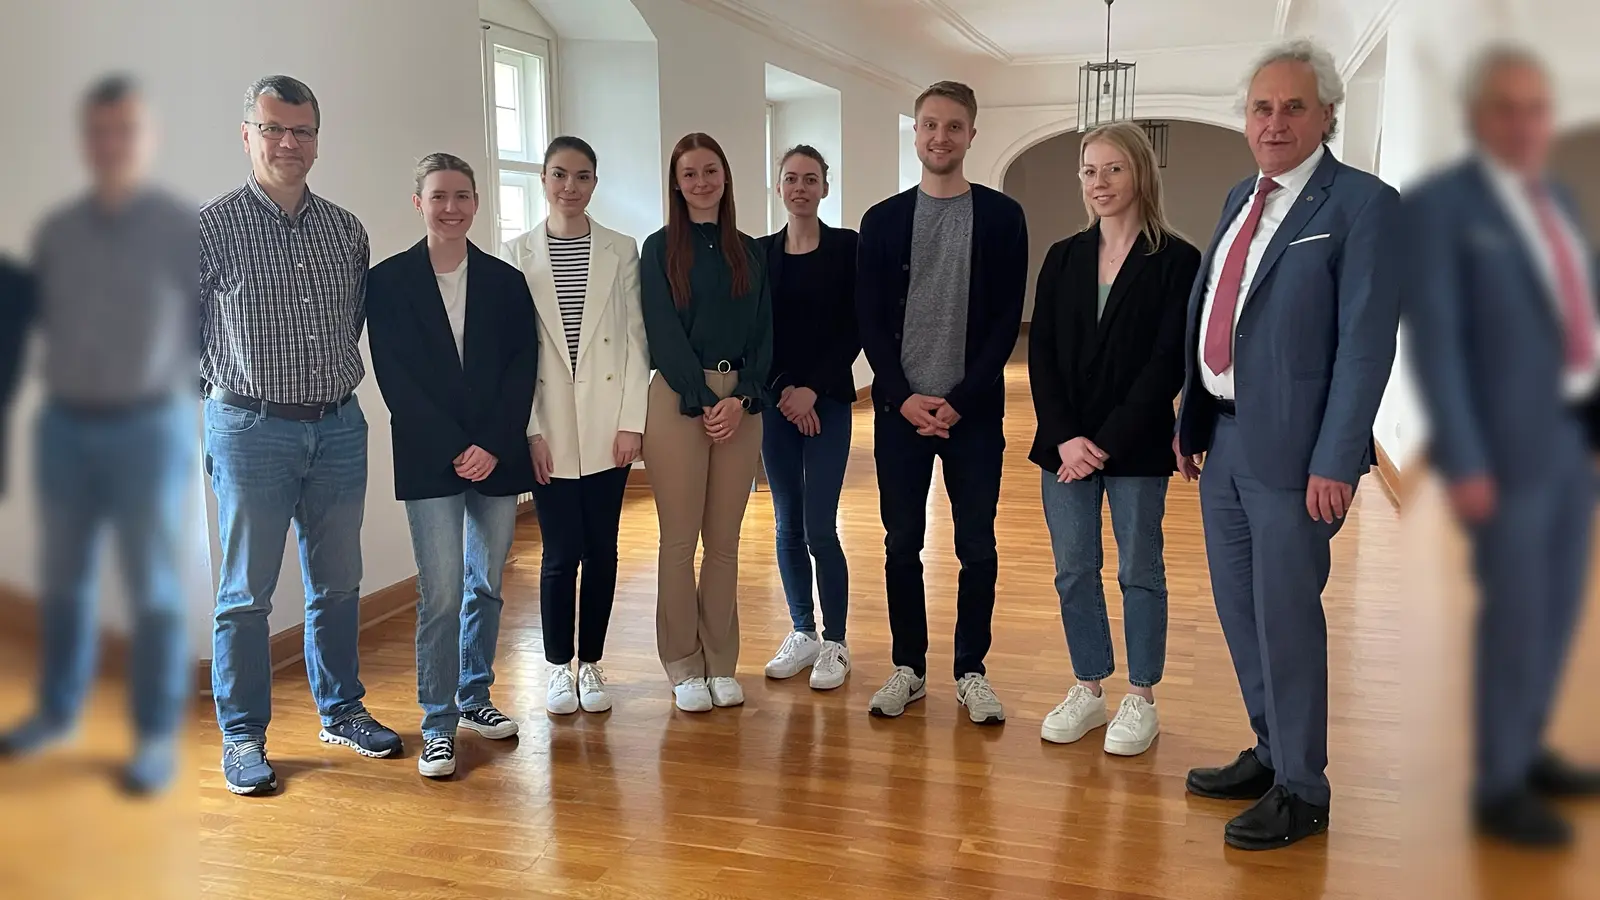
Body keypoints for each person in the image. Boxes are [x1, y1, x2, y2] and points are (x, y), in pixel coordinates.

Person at [1173, 40, 1399, 850]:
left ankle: (1304, 787)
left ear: (1328, 114)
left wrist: (1337, 458)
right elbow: (1218, 311)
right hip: (1223, 445)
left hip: (1296, 458)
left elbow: (1365, 346)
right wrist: (1191, 417)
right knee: (1241, 613)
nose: (1274, 122)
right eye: (1261, 108)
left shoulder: (1362, 205)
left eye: (1293, 107)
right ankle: (1272, 753)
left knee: (1286, 618)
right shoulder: (1243, 194)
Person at [1405, 45, 1600, 848]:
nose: (1522, 124)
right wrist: (1466, 457)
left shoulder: (1556, 198)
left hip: (1570, 439)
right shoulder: (1443, 205)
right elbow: (1439, 342)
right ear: (1477, 117)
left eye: (1534, 109)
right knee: (1515, 615)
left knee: (1557, 608)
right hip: (1504, 451)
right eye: (1506, 108)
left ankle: (1527, 747)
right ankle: (1498, 784)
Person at [201, 75, 401, 796]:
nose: (290, 143)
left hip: (340, 427)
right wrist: (230, 406)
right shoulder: (210, 229)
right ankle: (243, 737)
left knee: (338, 584)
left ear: (319, 136)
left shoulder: (347, 230)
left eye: (303, 130)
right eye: (274, 128)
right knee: (246, 596)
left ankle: (341, 710)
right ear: (247, 133)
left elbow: (349, 325)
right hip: (251, 430)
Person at [0, 76, 196, 794]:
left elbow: (212, 324)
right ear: (86, 141)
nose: (110, 144)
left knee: (154, 592)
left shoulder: (180, 226)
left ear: (147, 139)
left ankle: (151, 739)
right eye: (98, 131)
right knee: (65, 584)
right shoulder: (56, 231)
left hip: (148, 430)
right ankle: (56, 711)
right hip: (64, 429)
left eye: (125, 130)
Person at [856, 81, 1028, 724]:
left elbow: (1006, 320)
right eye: (929, 125)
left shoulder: (1004, 217)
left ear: (972, 135)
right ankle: (909, 667)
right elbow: (869, 320)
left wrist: (960, 398)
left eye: (953, 126)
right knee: (902, 543)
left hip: (973, 413)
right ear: (916, 132)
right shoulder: (883, 220)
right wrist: (900, 399)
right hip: (900, 414)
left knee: (976, 545)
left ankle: (971, 669)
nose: (940, 137)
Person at [1028, 122, 1199, 756]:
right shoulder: (1062, 255)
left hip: (1135, 444)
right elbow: (1040, 351)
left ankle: (1141, 696)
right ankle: (1089, 688)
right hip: (1063, 446)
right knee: (1074, 571)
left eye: (1113, 170)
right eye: (1089, 171)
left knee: (1139, 572)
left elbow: (1166, 365)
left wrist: (1101, 442)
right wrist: (1068, 438)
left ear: (1141, 176)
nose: (1099, 183)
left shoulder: (1176, 260)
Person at [366, 153, 537, 779]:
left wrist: (491, 443)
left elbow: (523, 366)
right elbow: (396, 379)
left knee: (486, 583)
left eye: (463, 196)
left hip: (495, 453)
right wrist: (452, 447)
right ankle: (437, 720)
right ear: (419, 203)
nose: (452, 207)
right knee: (440, 592)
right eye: (439, 196)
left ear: (475, 203)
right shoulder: (386, 283)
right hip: (428, 454)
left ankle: (475, 697)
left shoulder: (503, 280)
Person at [501, 136, 647, 717]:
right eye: (559, 174)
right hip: (551, 429)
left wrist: (632, 423)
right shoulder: (515, 255)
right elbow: (513, 358)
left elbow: (637, 343)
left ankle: (593, 661)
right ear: (542, 179)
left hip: (609, 425)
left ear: (594, 183)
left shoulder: (621, 249)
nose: (570, 187)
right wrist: (530, 431)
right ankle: (558, 667)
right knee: (560, 553)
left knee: (604, 550)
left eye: (582, 176)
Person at [641, 132, 771, 713]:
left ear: (726, 177)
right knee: (677, 541)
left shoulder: (750, 250)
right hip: (677, 398)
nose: (701, 182)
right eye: (689, 173)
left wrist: (742, 397)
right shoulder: (659, 248)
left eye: (710, 171)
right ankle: (682, 662)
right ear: (676, 182)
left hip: (739, 404)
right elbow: (660, 329)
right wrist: (699, 396)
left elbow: (766, 333)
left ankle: (721, 662)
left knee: (724, 542)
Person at [757, 145, 860, 691]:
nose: (800, 187)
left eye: (810, 179)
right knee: (787, 524)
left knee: (821, 524)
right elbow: (756, 334)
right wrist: (783, 393)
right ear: (778, 188)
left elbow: (855, 326)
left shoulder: (848, 248)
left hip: (829, 403)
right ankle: (803, 631)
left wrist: (812, 391)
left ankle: (836, 641)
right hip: (776, 406)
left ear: (825, 187)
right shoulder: (758, 254)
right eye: (791, 179)